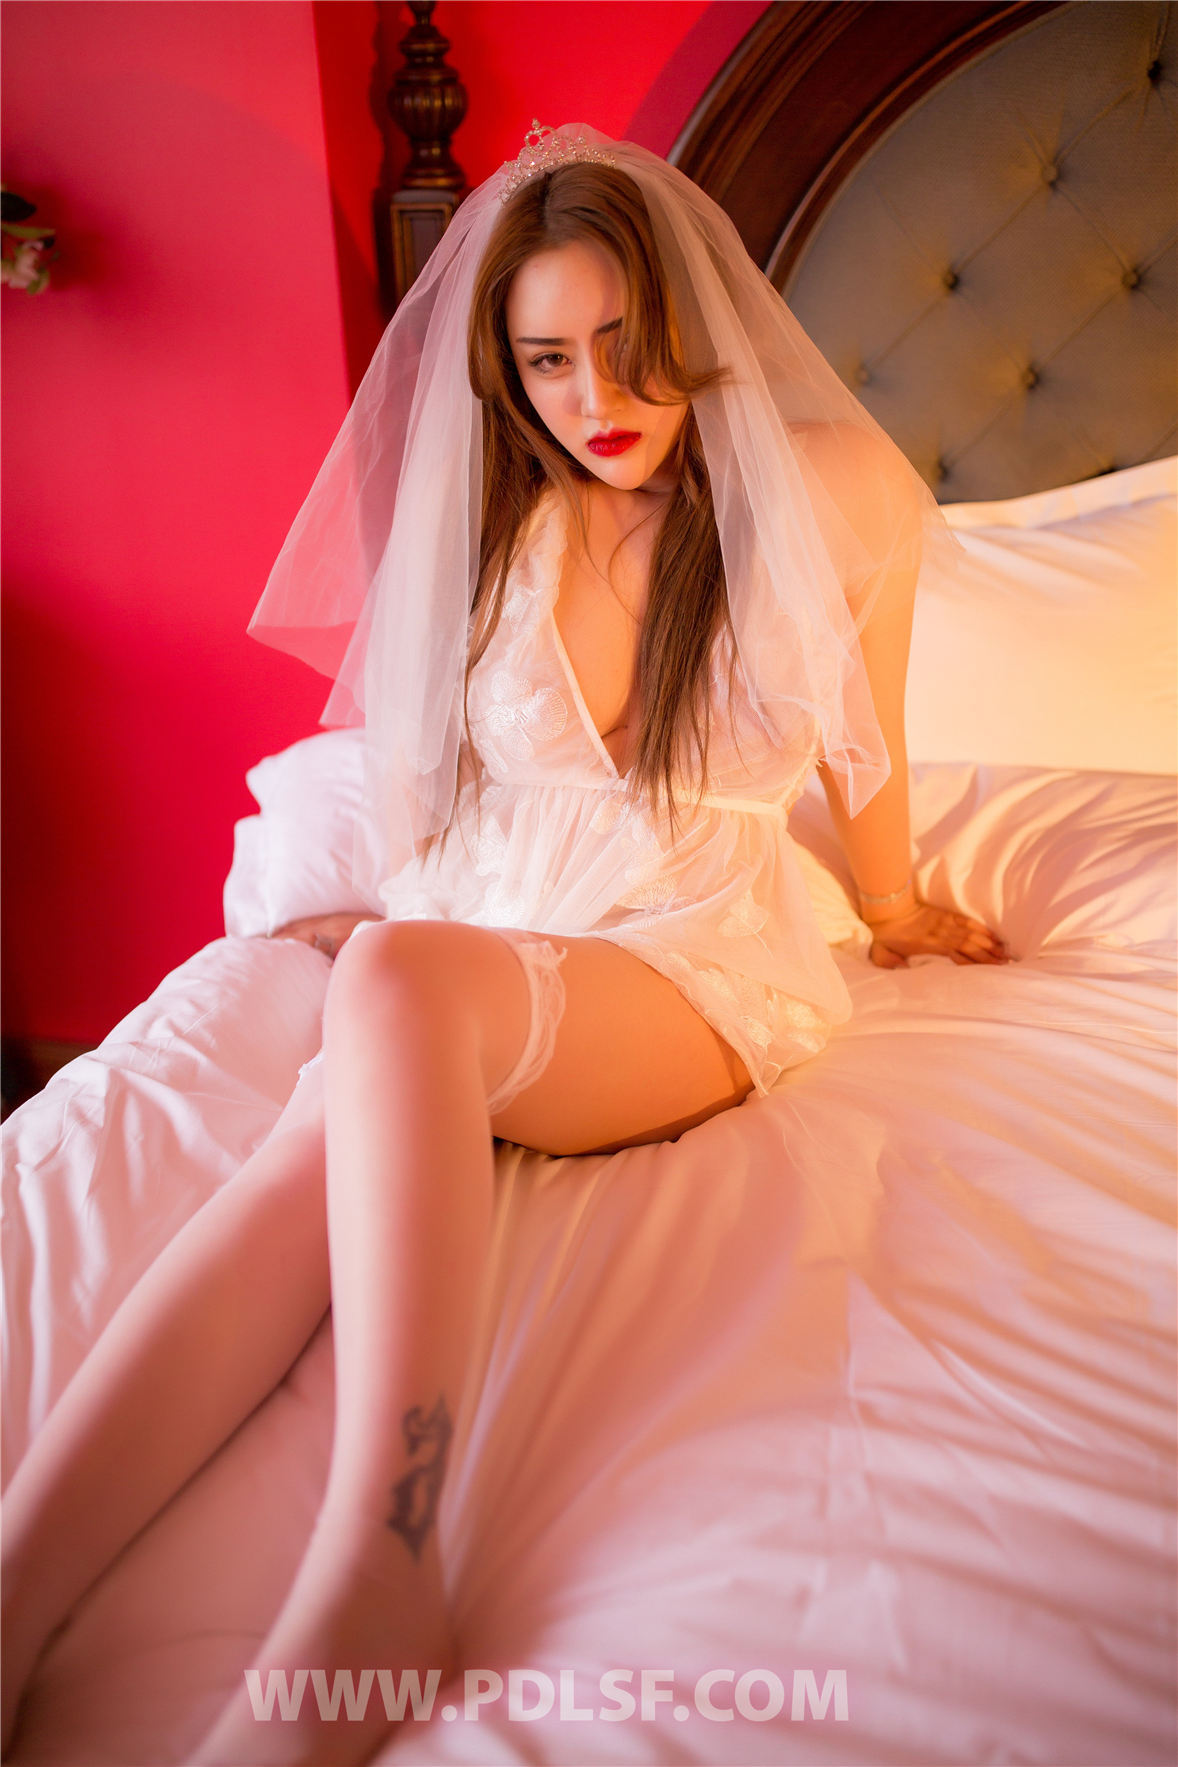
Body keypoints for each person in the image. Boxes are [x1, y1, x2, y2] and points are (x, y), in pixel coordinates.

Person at [0, 123, 1008, 1766]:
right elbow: (429, 786)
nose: (590, 396)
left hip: (685, 959)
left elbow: (863, 745)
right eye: (545, 361)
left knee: (391, 985)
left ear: (688, 317)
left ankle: (387, 1553)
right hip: (481, 948)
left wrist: (893, 911)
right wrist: (388, 910)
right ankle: (13, 1594)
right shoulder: (492, 517)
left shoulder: (830, 488)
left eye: (620, 341)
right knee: (309, 1140)